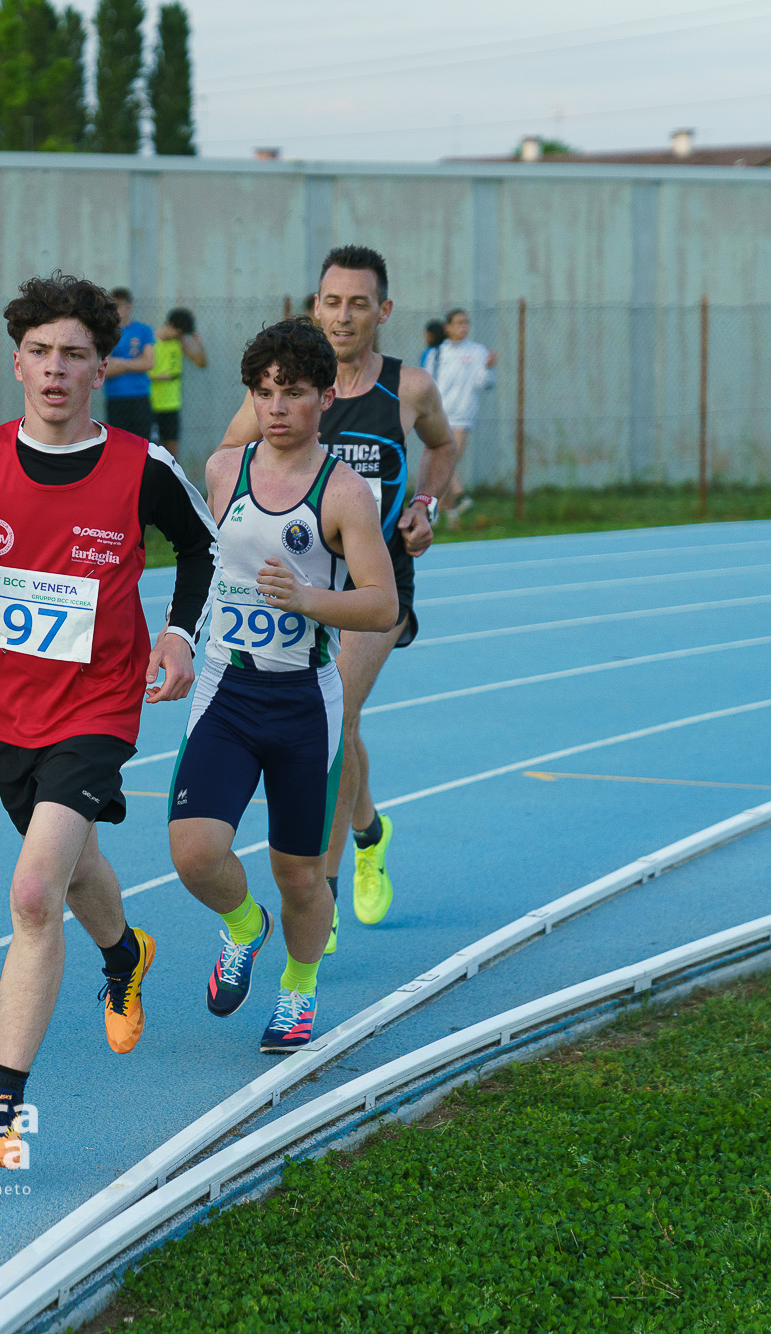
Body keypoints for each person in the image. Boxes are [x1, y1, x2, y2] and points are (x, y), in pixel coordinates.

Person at [0, 272, 216, 1164]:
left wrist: (178, 634)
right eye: (39, 352)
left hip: (100, 707)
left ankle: (2, 1103)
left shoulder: (142, 466)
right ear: (17, 363)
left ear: (101, 368)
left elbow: (201, 548)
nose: (56, 369)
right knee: (74, 862)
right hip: (3, 714)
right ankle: (124, 955)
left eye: (74, 354)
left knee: (33, 893)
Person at [169, 318, 397, 1056]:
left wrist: (309, 601)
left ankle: (299, 987)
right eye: (264, 392)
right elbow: (200, 562)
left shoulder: (345, 492)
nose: (276, 407)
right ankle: (244, 927)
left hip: (303, 702)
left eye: (293, 393)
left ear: (324, 398)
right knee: (194, 853)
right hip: (227, 690)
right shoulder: (223, 471)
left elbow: (382, 605)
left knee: (299, 875)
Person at [218, 246, 458, 934]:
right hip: (295, 580)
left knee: (334, 714)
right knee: (339, 727)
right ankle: (369, 831)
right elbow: (228, 460)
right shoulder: (286, 388)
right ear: (314, 307)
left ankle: (318, 893)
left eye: (359, 303)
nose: (344, 315)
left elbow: (442, 448)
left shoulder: (410, 389)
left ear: (384, 311)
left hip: (375, 581)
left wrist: (425, 506)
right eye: (332, 302)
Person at [428, 308, 496, 525]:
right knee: (444, 464)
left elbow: (485, 383)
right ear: (447, 327)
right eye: (458, 323)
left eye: (466, 323)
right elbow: (428, 383)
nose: (463, 327)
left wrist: (488, 368)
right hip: (439, 415)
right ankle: (453, 511)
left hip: (462, 416)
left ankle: (450, 504)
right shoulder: (437, 353)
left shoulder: (477, 351)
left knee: (448, 462)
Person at [149, 306, 207, 458]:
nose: (179, 336)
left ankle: (172, 474)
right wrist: (161, 377)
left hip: (171, 404)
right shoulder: (150, 340)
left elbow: (201, 363)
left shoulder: (179, 342)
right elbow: (140, 371)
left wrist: (200, 347)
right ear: (170, 325)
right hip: (150, 403)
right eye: (179, 333)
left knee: (171, 452)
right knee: (151, 450)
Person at [100, 287, 155, 442]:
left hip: (140, 395)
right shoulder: (106, 332)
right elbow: (106, 369)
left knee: (142, 442)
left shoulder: (143, 330)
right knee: (118, 442)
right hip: (116, 396)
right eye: (114, 305)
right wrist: (135, 363)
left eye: (121, 305)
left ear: (130, 306)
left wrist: (120, 362)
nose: (118, 310)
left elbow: (149, 363)